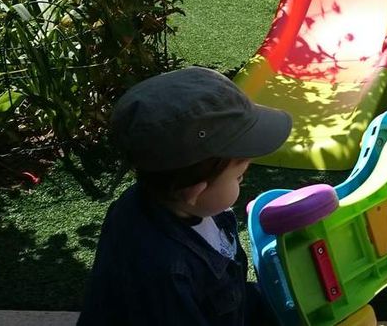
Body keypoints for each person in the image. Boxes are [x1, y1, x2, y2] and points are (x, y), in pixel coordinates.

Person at [78, 67, 292, 326]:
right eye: (238, 177)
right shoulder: (166, 274)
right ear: (195, 191)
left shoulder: (163, 200)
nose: (243, 180)